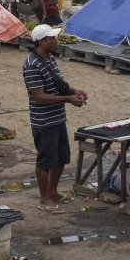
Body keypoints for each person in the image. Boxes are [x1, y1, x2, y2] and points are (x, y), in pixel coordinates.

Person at [23, 25, 86, 212]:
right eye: (53, 38)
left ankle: (53, 192)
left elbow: (59, 84)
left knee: (61, 158)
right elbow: (39, 97)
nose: (56, 42)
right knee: (46, 161)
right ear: (42, 41)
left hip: (57, 118)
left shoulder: (50, 59)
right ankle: (44, 200)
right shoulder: (32, 65)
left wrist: (74, 91)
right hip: (44, 121)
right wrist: (68, 99)